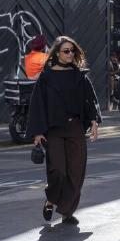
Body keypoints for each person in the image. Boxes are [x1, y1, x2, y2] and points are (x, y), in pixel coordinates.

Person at [28, 36, 101, 225]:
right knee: (58, 170)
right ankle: (51, 199)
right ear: (57, 53)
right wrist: (37, 132)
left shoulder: (80, 76)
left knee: (76, 171)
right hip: (54, 129)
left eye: (72, 51)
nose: (70, 54)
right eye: (66, 51)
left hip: (75, 127)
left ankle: (67, 211)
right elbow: (37, 104)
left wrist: (94, 121)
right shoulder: (46, 77)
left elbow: (90, 100)